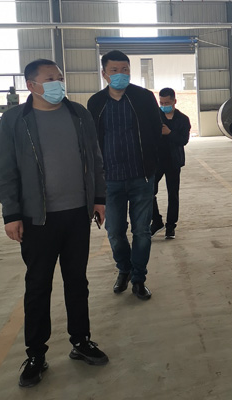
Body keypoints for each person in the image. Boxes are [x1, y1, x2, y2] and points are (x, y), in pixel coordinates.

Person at [0, 59, 109, 387]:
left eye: (60, 77)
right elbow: (6, 170)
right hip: (37, 219)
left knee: (77, 282)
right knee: (38, 285)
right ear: (31, 85)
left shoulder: (78, 114)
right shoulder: (15, 120)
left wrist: (98, 198)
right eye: (50, 78)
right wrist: (11, 214)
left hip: (77, 214)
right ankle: (36, 354)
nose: (58, 83)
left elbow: (95, 158)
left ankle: (81, 341)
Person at [87, 50, 162, 301]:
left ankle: (139, 278)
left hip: (141, 177)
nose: (121, 74)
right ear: (104, 73)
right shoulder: (96, 102)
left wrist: (152, 167)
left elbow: (156, 132)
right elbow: (92, 142)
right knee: (115, 231)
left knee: (142, 231)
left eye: (125, 70)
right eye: (115, 70)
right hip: (110, 180)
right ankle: (124, 269)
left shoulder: (144, 97)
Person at [150, 87, 191, 240]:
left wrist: (170, 133)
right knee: (149, 191)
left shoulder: (183, 119)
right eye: (161, 103)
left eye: (167, 103)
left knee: (173, 194)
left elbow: (183, 140)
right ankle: (156, 221)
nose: (164, 105)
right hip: (157, 161)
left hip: (174, 161)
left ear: (174, 101)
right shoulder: (155, 116)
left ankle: (171, 226)